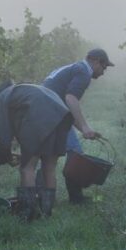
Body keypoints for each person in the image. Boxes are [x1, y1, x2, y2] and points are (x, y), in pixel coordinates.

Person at [0, 81, 79, 220]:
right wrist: (10, 156)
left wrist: (0, 161)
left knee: (27, 168)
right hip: (60, 114)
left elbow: (4, 139)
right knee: (49, 168)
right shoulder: (7, 93)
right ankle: (46, 213)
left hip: (40, 116)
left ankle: (28, 215)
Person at [41, 48, 113, 204]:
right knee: (75, 154)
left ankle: (42, 198)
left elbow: (66, 110)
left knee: (46, 157)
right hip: (52, 113)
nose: (103, 72)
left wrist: (85, 129)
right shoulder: (83, 72)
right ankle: (76, 198)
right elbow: (70, 98)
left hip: (43, 110)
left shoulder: (73, 68)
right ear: (95, 61)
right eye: (104, 67)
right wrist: (85, 127)